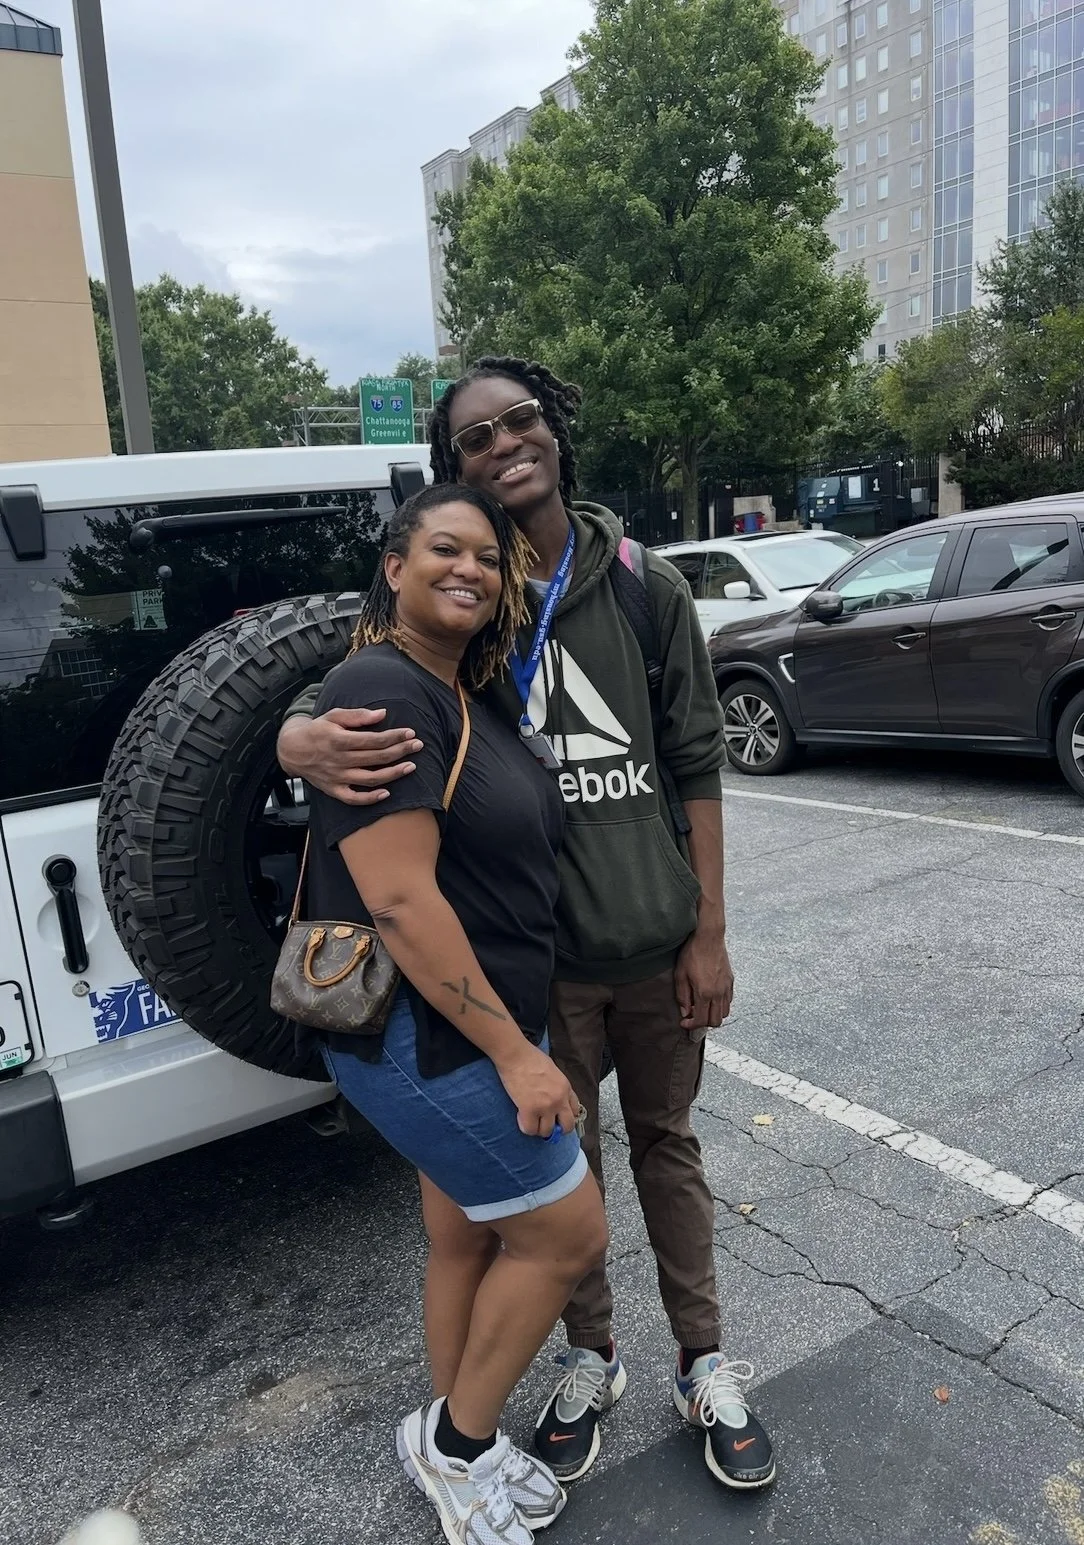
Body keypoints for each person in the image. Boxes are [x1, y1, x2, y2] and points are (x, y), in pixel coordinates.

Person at [278, 358, 776, 1493]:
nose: (504, 445)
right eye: (474, 439)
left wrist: (707, 931)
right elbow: (349, 680)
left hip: (654, 945)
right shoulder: (474, 612)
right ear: (452, 473)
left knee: (668, 1152)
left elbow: (697, 762)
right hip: (536, 973)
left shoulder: (647, 588)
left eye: (520, 422)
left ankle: (703, 1360)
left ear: (555, 429)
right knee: (566, 1185)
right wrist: (295, 740)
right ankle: (588, 1359)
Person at [299, 480, 608, 1544]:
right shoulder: (383, 687)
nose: (471, 567)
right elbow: (395, 897)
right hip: (425, 1037)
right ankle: (463, 1448)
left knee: (467, 1239)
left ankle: (446, 1434)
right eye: (445, 548)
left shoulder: (459, 691)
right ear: (395, 566)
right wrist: (514, 1056)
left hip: (457, 1027)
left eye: (489, 556)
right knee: (566, 1233)